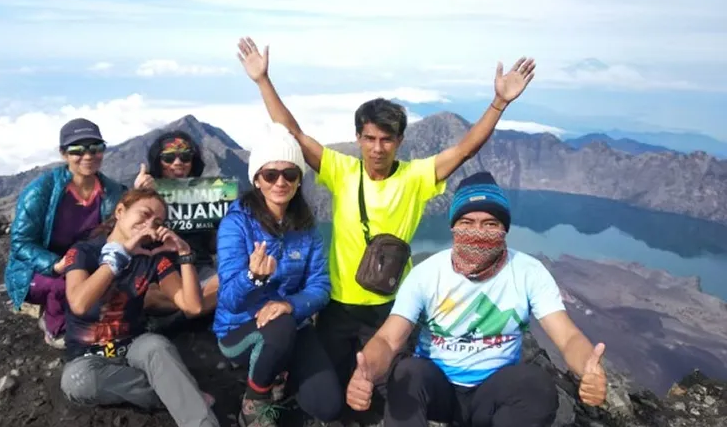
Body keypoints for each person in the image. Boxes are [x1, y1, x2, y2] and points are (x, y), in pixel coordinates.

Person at [236, 36, 537, 395]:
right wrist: (262, 81)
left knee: (384, 390)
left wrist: (499, 103)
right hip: (339, 304)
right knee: (329, 395)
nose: (377, 148)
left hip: (393, 305)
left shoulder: (416, 177)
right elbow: (295, 135)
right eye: (369, 138)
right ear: (358, 138)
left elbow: (465, 149)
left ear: (400, 141)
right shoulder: (342, 170)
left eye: (386, 139)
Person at [344, 172, 608, 427]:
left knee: (537, 385)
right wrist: (366, 371)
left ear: (504, 228)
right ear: (454, 226)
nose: (478, 232)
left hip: (494, 392)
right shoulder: (426, 274)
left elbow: (567, 337)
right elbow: (389, 339)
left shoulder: (529, 272)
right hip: (438, 389)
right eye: (467, 223)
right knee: (407, 374)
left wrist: (588, 368)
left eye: (490, 224)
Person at [213, 123, 342, 427]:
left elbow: (321, 286)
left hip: (292, 326)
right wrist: (253, 278)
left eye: (290, 174)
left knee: (328, 406)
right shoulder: (237, 225)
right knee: (280, 326)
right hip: (239, 332)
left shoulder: (306, 227)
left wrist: (290, 306)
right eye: (270, 175)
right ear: (257, 180)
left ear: (299, 181)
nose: (280, 182)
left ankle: (281, 374)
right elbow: (230, 300)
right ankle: (254, 403)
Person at [59, 188, 219, 427]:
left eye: (157, 222)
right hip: (86, 356)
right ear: (120, 211)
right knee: (77, 381)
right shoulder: (84, 252)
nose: (149, 225)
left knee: (157, 346)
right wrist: (118, 257)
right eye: (143, 214)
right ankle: (180, 393)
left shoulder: (153, 258)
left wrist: (185, 254)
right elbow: (80, 304)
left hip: (134, 345)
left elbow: (193, 306)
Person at [5, 118, 130, 348]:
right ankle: (55, 327)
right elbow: (21, 243)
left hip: (85, 259)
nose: (88, 156)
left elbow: (127, 221)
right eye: (77, 150)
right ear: (63, 154)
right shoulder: (40, 191)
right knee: (64, 286)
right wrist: (55, 264)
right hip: (39, 269)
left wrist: (140, 192)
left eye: (95, 148)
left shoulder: (112, 191)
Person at [134, 131, 220, 319]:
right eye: (169, 158)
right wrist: (138, 197)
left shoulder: (208, 194)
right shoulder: (147, 190)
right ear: (158, 162)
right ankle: (196, 308)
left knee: (227, 282)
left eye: (185, 157)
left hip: (199, 267)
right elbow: (127, 231)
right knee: (148, 296)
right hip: (160, 270)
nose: (178, 163)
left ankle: (185, 311)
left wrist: (224, 220)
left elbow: (214, 245)